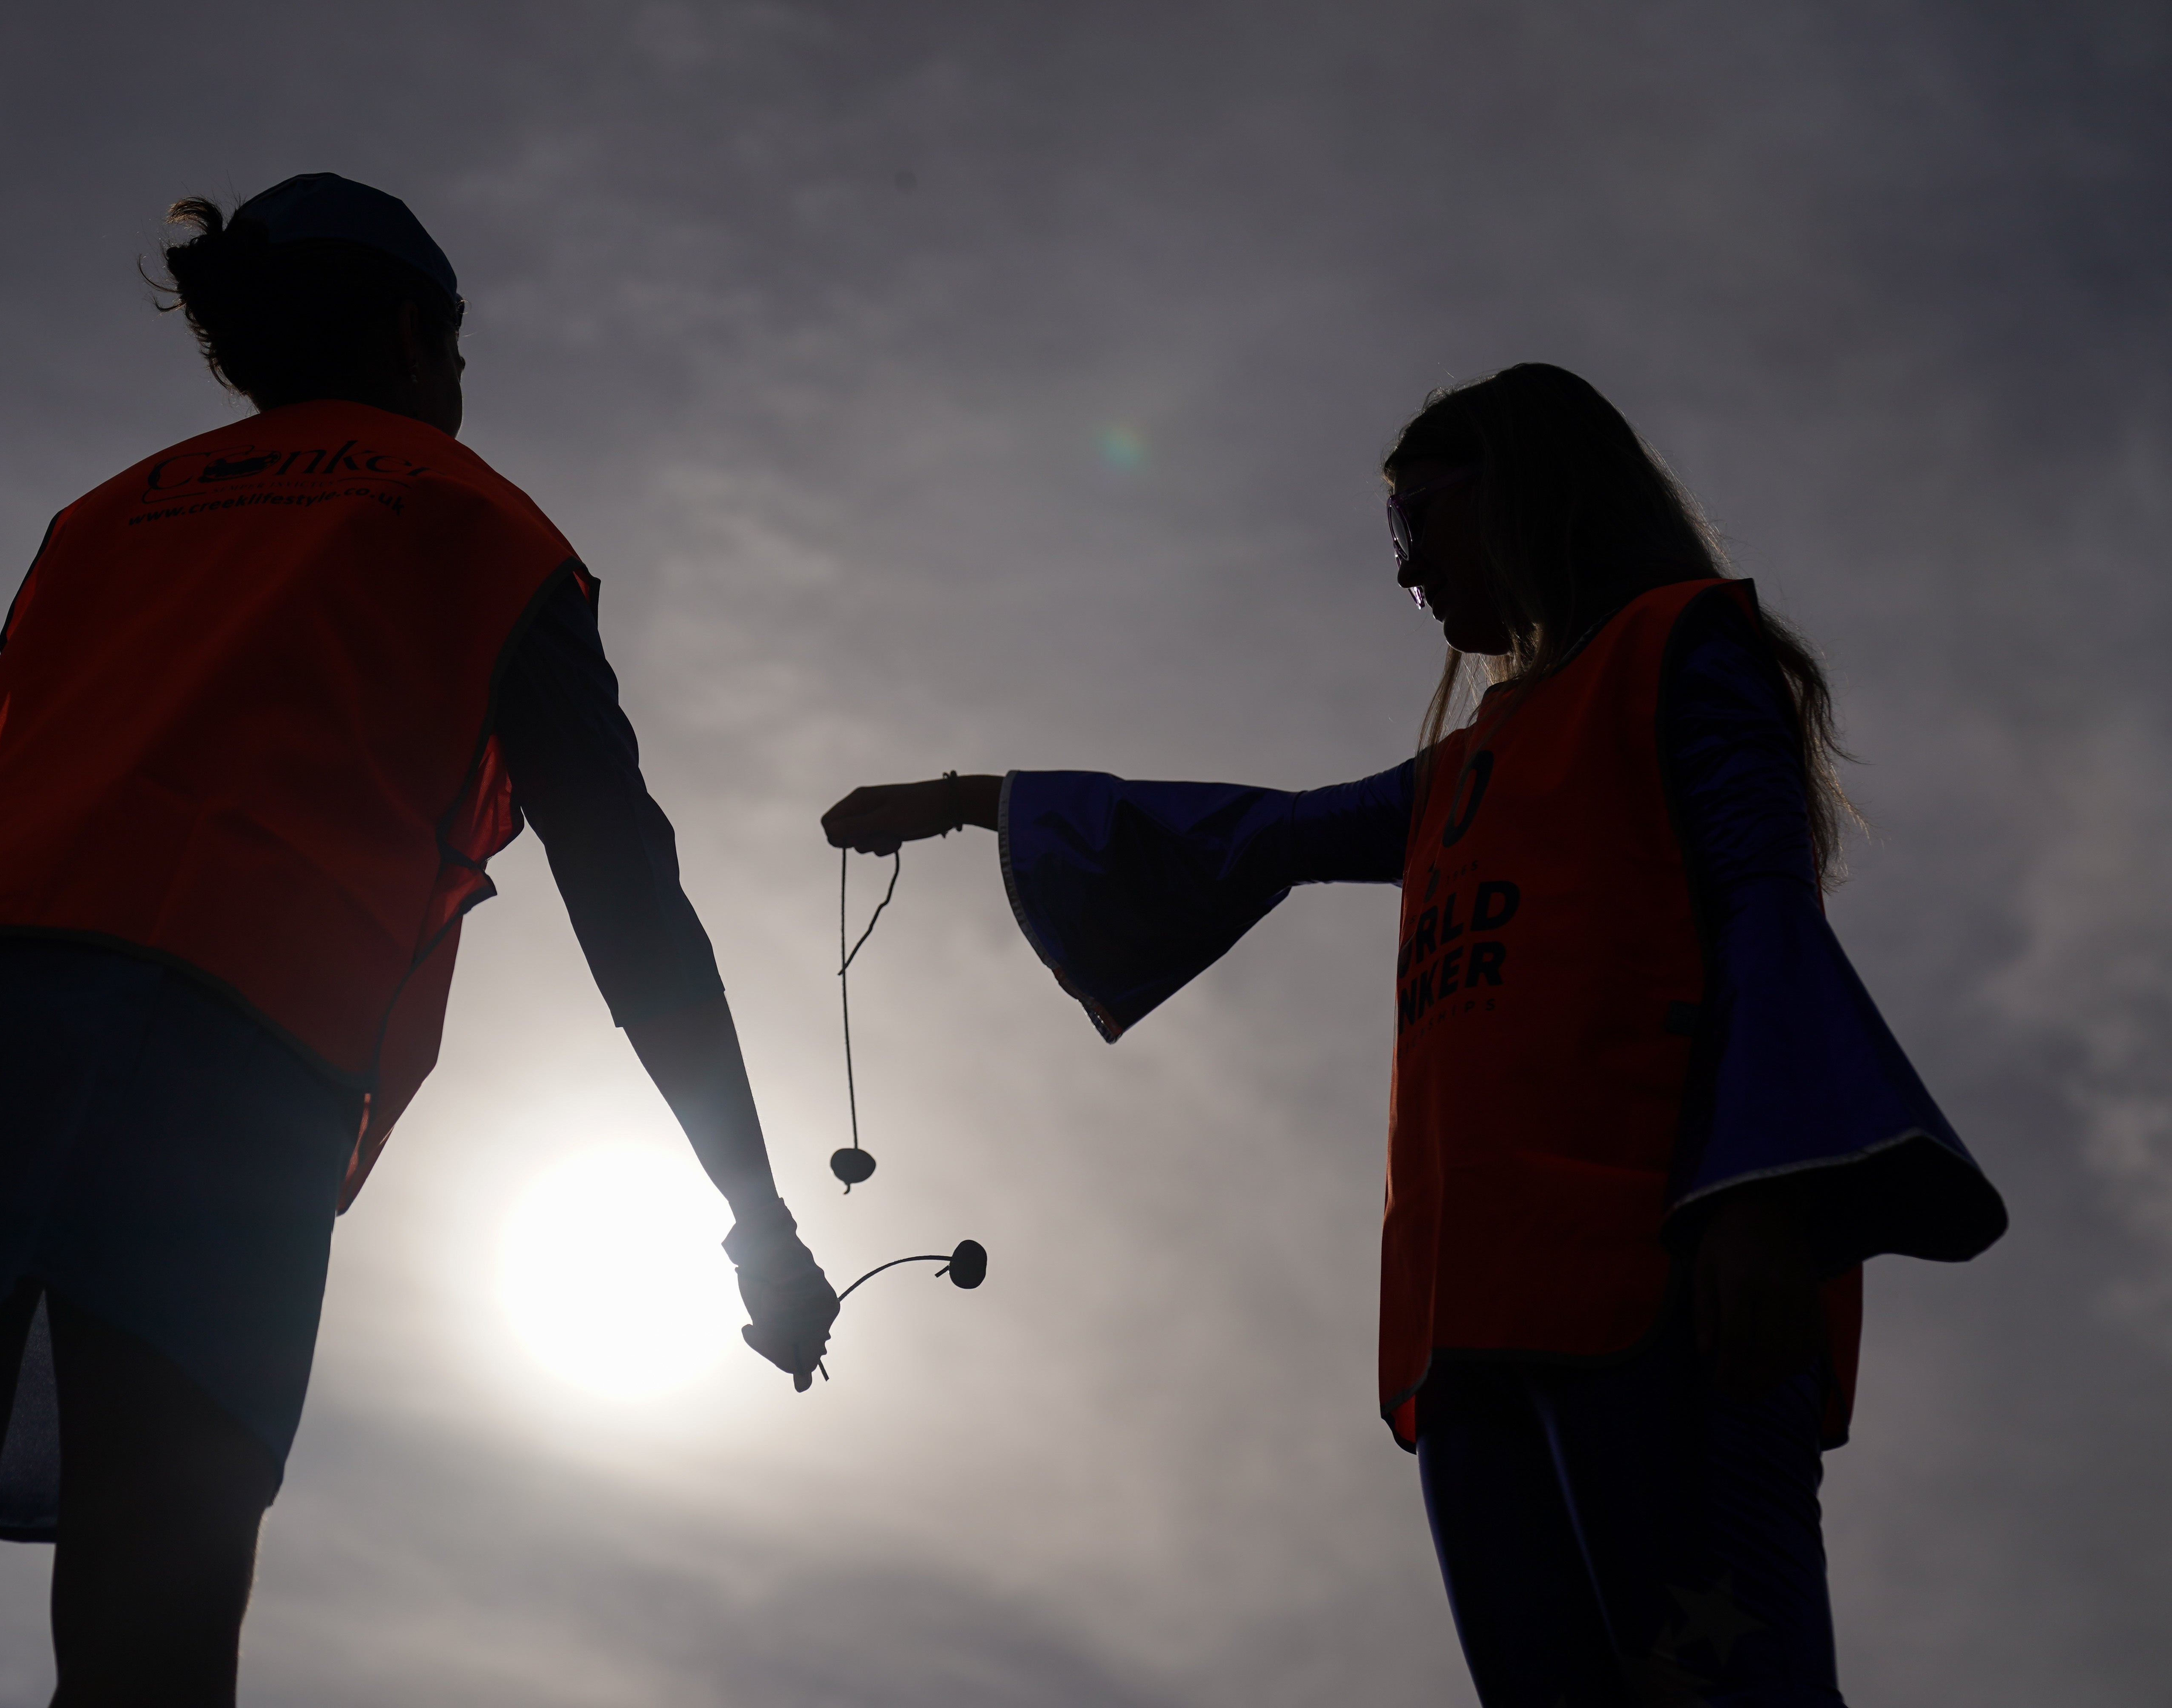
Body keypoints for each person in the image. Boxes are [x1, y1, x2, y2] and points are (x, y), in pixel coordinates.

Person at [0, 173, 839, 1708]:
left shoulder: (105, 518)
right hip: (213, 1045)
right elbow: (634, 907)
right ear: (420, 334)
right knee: (155, 1634)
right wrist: (757, 1220)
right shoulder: (481, 528)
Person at [823, 364, 2007, 1706]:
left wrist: (1766, 1201)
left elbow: (1765, 917)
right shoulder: (1462, 769)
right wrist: (968, 799)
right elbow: (1260, 832)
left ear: (1522, 490)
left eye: (1414, 526)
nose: (1404, 579)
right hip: (1472, 1319)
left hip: (1662, 1279)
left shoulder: (1679, 649)